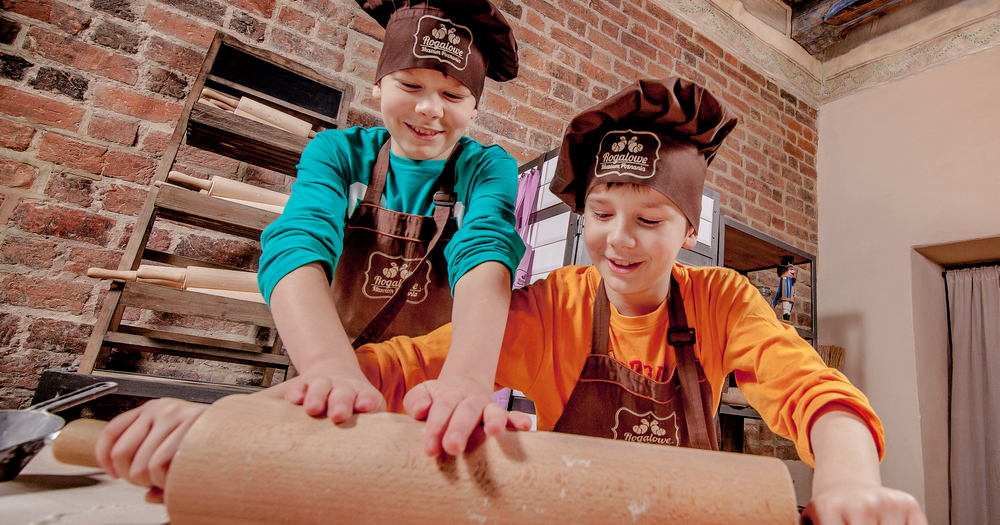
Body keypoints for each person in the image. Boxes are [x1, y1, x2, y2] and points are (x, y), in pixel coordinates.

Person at [97, 77, 926, 523]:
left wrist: (852, 481)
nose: (621, 241)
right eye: (601, 215)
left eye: (651, 220)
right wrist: (233, 424)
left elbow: (814, 393)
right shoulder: (556, 304)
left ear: (690, 227)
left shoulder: (719, 299)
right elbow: (388, 370)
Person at [256, 0, 525, 456]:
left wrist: (466, 379)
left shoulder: (485, 168)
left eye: (453, 96)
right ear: (379, 85)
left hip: (442, 400)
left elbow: (487, 250)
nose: (429, 109)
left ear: (475, 108)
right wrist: (327, 366)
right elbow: (297, 242)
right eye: (410, 84)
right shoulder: (338, 153)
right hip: (339, 384)